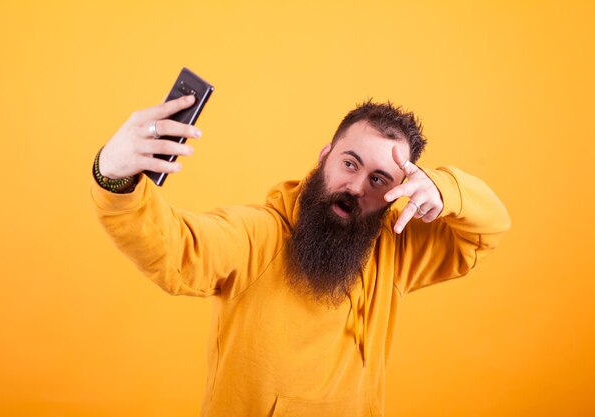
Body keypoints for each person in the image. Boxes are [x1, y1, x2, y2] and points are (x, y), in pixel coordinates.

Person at [91, 94, 511, 417]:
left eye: (378, 179)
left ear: (395, 193)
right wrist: (113, 176)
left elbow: (489, 228)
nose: (356, 187)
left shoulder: (396, 250)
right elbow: (175, 249)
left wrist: (443, 188)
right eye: (350, 163)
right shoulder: (259, 235)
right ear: (325, 156)